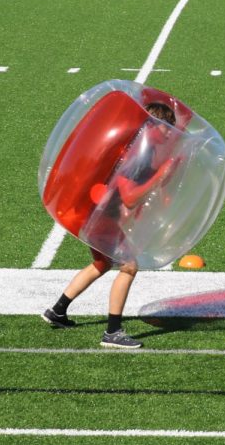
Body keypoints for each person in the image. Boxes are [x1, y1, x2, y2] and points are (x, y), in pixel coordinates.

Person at [41, 101, 178, 349]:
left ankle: (58, 310)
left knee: (102, 264)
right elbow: (129, 197)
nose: (170, 133)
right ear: (153, 125)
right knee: (129, 266)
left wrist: (163, 180)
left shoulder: (139, 149)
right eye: (167, 127)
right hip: (101, 218)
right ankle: (112, 332)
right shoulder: (139, 154)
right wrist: (160, 177)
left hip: (97, 214)